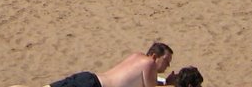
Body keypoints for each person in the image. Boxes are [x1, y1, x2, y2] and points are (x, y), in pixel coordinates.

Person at [46, 42, 176, 87]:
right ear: (154, 56)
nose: (167, 66)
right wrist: (169, 83)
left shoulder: (137, 56)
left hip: (89, 79)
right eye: (166, 61)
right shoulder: (149, 63)